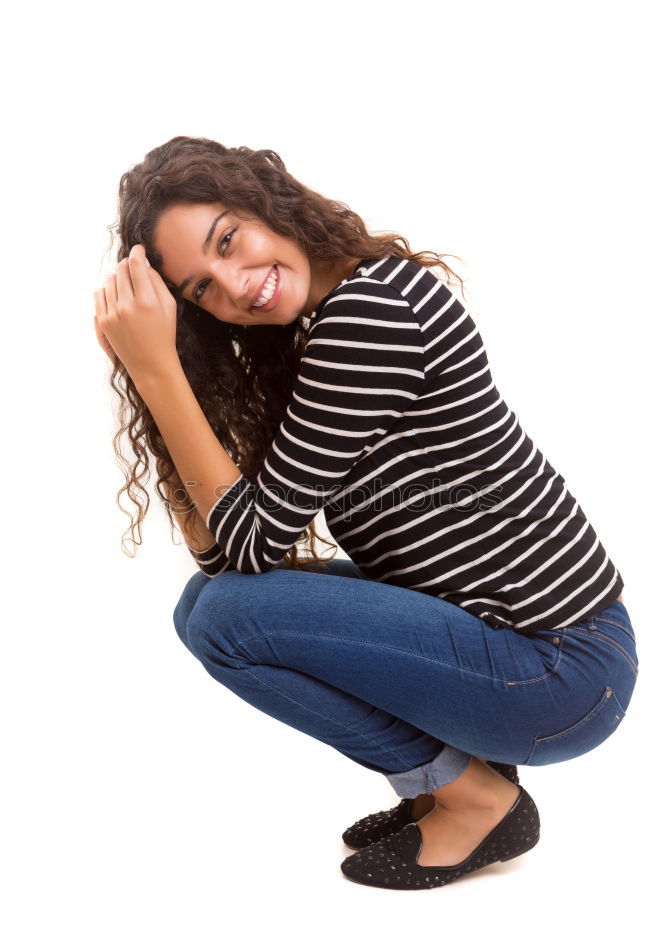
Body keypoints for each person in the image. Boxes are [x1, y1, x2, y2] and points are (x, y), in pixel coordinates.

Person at [93, 136, 639, 891]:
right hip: (522, 648)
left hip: (557, 670)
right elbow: (230, 555)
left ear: (267, 201)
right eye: (200, 291)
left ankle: (471, 796)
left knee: (223, 619)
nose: (234, 283)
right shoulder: (320, 329)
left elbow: (246, 548)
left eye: (229, 239)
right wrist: (168, 367)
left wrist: (156, 369)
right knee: (207, 607)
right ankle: (448, 783)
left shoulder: (370, 314)